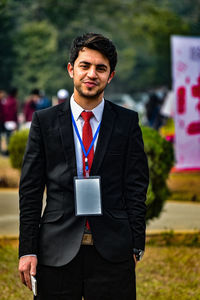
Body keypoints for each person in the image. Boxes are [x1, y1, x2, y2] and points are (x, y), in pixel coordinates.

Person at [18, 32, 149, 300]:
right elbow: (30, 190)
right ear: (71, 69)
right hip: (55, 249)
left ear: (110, 76)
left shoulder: (126, 122)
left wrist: (136, 243)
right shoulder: (45, 122)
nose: (92, 74)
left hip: (113, 250)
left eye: (101, 68)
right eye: (84, 65)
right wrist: (27, 249)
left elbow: (136, 185)